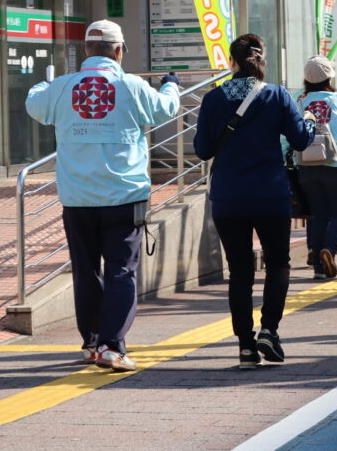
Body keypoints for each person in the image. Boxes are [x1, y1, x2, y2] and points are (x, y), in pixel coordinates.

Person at [25, 19, 180, 372]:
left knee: (85, 271)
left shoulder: (63, 88)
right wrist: (171, 86)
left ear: (84, 51)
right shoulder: (132, 86)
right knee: (122, 271)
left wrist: (46, 82)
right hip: (124, 198)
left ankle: (92, 343)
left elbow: (35, 103)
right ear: (120, 51)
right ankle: (113, 345)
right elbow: (166, 109)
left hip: (77, 199)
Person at [194, 34, 316, 369]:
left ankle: (245, 346)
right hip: (270, 194)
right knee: (278, 263)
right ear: (261, 62)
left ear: (232, 62)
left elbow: (203, 150)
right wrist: (310, 121)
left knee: (239, 272)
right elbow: (301, 141)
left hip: (228, 196)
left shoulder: (213, 98)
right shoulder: (276, 95)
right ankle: (270, 330)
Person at [293, 56, 337, 280]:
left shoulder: (300, 101)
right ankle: (329, 250)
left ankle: (318, 268)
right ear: (330, 77)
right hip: (336, 164)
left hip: (306, 165)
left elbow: (289, 135)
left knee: (317, 214)